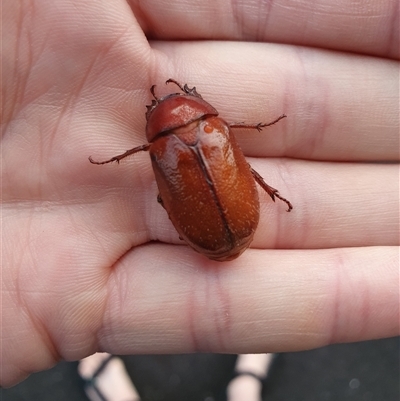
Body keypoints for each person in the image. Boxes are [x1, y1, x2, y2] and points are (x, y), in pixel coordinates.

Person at [2, 0, 399, 392]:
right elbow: (243, 150)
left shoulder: (160, 147)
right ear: (203, 110)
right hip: (224, 226)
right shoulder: (216, 129)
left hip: (214, 231)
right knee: (224, 176)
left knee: (175, 195)